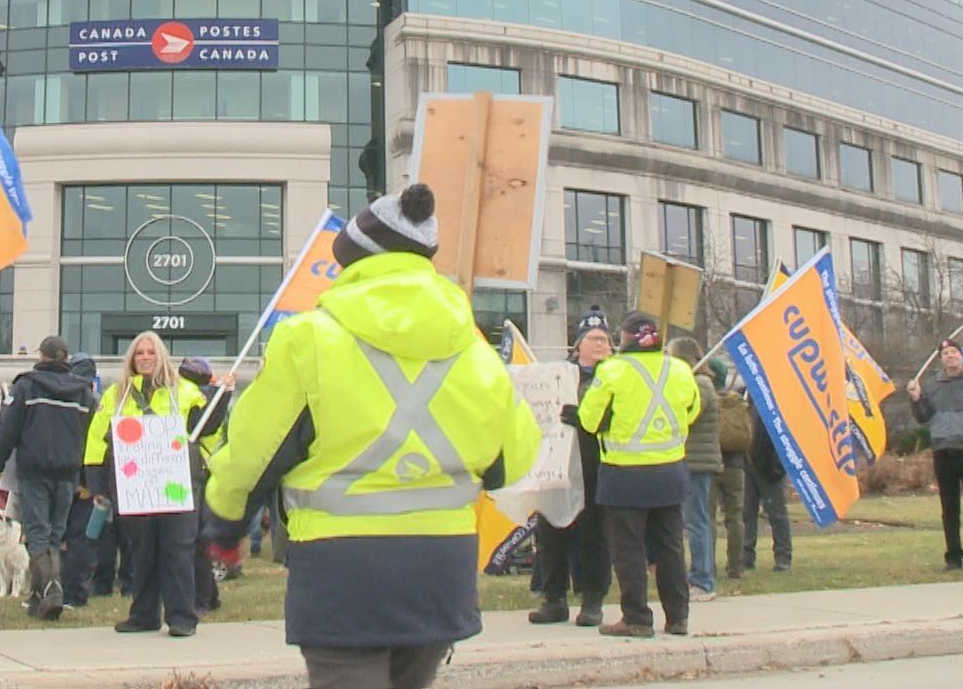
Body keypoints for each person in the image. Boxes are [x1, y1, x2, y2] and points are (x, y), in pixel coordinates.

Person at [207, 184, 541, 687]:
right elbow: (513, 461)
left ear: (353, 261)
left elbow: (253, 452)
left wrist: (223, 524)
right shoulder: (471, 346)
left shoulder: (308, 337)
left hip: (342, 566)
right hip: (441, 566)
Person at [577, 310, 701, 639]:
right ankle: (678, 617)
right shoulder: (679, 369)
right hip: (670, 472)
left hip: (625, 475)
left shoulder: (612, 371)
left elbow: (589, 421)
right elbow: (693, 411)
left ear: (626, 337)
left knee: (628, 548)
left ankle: (636, 616)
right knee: (671, 547)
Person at [83, 332, 215, 638]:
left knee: (177, 549)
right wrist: (97, 482)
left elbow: (206, 432)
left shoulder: (185, 392)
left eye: (150, 353)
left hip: (176, 484)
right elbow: (96, 438)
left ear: (161, 356)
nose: (145, 358)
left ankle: (182, 617)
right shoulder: (115, 395)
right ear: (131, 358)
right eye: (139, 353)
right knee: (141, 552)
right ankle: (143, 614)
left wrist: (219, 401)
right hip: (135, 486)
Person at [0, 334, 94, 619]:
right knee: (55, 535)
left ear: (42, 357)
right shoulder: (83, 392)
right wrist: (87, 478)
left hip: (34, 471)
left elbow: (6, 430)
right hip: (68, 473)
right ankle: (38, 597)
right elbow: (92, 436)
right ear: (66, 359)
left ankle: (51, 590)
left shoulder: (26, 387)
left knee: (36, 535)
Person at [530, 313, 612, 628]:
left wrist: (588, 420)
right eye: (594, 338)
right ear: (579, 344)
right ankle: (554, 597)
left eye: (604, 338)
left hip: (595, 466)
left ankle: (592, 599)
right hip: (557, 463)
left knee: (594, 534)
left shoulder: (615, 376)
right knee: (550, 531)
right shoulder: (558, 376)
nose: (601, 344)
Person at [909, 338, 963, 573]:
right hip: (943, 450)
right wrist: (916, 399)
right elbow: (924, 417)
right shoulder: (933, 385)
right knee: (949, 507)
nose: (951, 357)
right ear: (941, 359)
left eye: (954, 352)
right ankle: (953, 556)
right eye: (946, 354)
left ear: (961, 356)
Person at [664, 336, 719, 603]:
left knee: (696, 521)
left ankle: (703, 580)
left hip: (696, 461)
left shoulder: (701, 384)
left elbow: (686, 414)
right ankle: (701, 575)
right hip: (688, 460)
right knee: (694, 521)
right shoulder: (697, 383)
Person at [175, 355, 231, 616]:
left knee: (193, 539)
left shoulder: (192, 395)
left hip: (195, 470)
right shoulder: (205, 395)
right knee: (198, 539)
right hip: (201, 470)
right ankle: (210, 596)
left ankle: (202, 598)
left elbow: (204, 427)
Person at [711, 361, 751, 583]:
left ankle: (707, 567)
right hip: (736, 464)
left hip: (710, 463)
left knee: (706, 518)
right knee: (735, 517)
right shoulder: (737, 402)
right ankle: (736, 568)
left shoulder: (705, 398)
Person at [741, 410, 792, 573]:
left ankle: (783, 556)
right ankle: (746, 556)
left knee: (776, 514)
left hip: (769, 464)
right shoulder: (749, 400)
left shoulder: (771, 401)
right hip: (751, 461)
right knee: (747, 513)